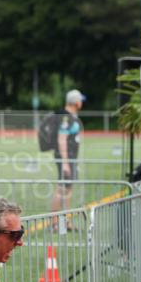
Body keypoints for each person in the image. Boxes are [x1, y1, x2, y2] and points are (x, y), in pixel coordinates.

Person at [51, 89, 85, 219]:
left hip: (70, 157)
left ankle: (66, 221)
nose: (81, 102)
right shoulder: (66, 117)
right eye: (80, 100)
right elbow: (62, 139)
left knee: (68, 189)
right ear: (76, 102)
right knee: (61, 189)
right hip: (65, 157)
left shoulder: (71, 116)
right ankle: (54, 222)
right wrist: (65, 163)